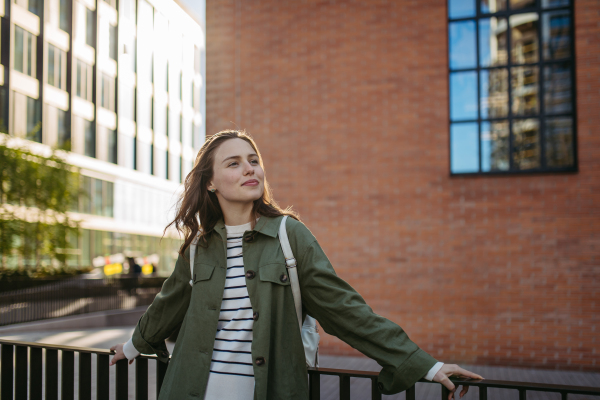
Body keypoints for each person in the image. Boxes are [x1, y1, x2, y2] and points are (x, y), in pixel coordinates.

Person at [109, 130, 483, 400]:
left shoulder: (290, 235)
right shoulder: (199, 247)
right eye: (234, 163)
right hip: (189, 389)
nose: (249, 169)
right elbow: (167, 305)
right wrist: (131, 346)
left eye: (254, 160)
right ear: (210, 183)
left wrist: (426, 366)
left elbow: (344, 309)